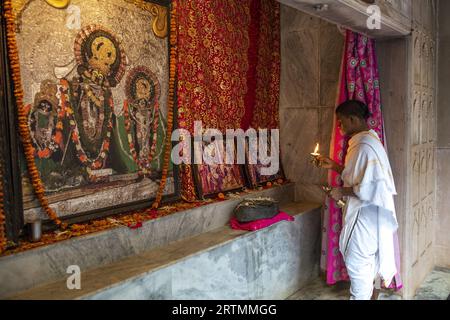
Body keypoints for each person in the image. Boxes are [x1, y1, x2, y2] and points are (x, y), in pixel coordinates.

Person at [318, 100, 399, 300]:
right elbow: (361, 177)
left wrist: (340, 192)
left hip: (363, 220)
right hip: (372, 218)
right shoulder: (370, 140)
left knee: (358, 267)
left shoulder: (362, 146)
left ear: (353, 119)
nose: (339, 126)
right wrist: (334, 166)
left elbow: (368, 188)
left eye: (341, 121)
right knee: (367, 266)